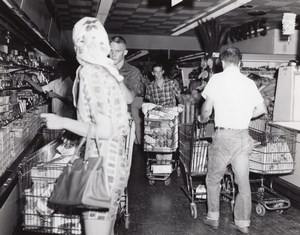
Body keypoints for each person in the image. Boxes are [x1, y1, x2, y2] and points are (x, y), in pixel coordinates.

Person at [40, 17, 130, 235]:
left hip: (101, 170)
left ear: (79, 43)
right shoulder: (108, 71)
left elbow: (104, 131)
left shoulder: (92, 73)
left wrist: (61, 122)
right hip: (114, 164)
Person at [198, 47, 267, 234]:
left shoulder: (216, 79)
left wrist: (202, 119)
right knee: (242, 182)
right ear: (240, 62)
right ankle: (243, 223)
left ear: (222, 61)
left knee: (213, 179)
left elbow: (206, 110)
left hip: (223, 137)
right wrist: (245, 117)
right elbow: (261, 109)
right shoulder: (249, 83)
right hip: (243, 137)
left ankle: (213, 217)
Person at [109, 36, 145, 145]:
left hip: (123, 124)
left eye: (118, 51)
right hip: (104, 121)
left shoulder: (133, 72)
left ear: (125, 52)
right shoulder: (102, 69)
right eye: (111, 50)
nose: (113, 54)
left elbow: (129, 99)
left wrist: (117, 77)